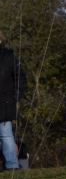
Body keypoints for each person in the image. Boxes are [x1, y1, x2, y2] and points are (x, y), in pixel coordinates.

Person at [0, 31, 27, 171]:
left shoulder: (9, 58)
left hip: (4, 103)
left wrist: (14, 96)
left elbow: (21, 78)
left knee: (6, 135)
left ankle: (12, 165)